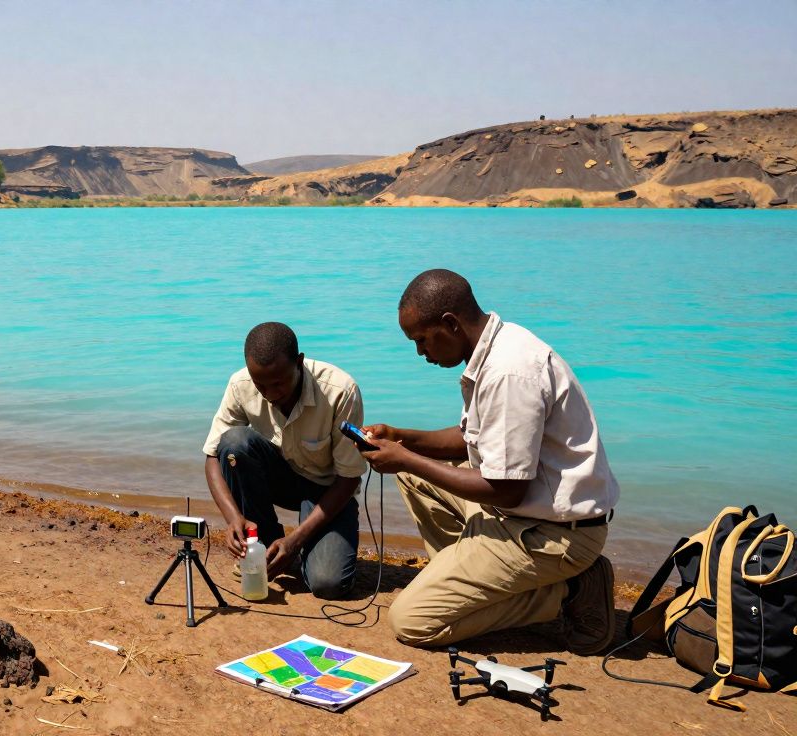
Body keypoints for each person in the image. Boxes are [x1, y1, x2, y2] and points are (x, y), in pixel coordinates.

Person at [358, 269, 619, 654]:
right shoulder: (494, 347)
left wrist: (406, 459)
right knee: (416, 477)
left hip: (555, 535)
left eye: (422, 340)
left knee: (411, 623)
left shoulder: (508, 372)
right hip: (524, 515)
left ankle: (569, 592)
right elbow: (469, 440)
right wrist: (403, 439)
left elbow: (506, 490)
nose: (420, 353)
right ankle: (475, 579)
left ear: (450, 324)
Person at [203, 322, 367, 599]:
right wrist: (234, 519)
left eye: (278, 383)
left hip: (327, 490)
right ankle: (265, 542)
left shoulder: (340, 391)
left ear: (299, 363)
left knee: (327, 584)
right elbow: (211, 457)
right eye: (260, 385)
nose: (269, 393)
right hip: (278, 479)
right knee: (234, 443)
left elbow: (349, 478)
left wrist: (296, 540)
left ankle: (295, 551)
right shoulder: (240, 384)